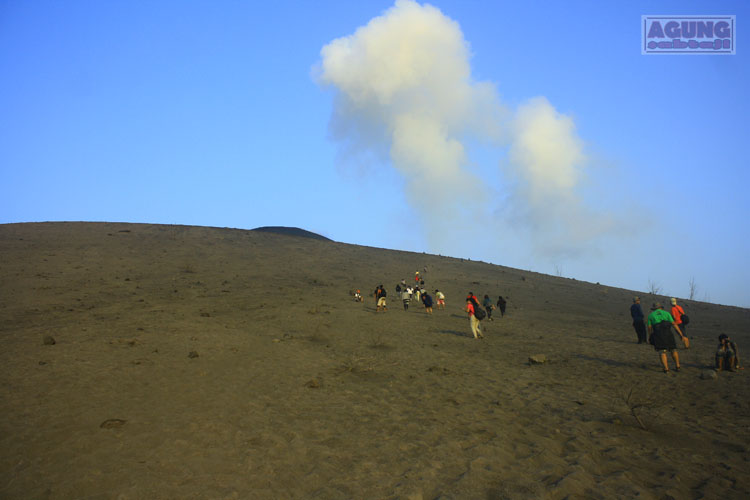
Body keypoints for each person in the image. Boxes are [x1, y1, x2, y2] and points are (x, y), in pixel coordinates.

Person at [647, 302, 686, 373]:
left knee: (662, 352)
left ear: (654, 309)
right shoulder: (667, 313)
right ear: (661, 308)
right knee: (673, 350)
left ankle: (666, 369)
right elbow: (674, 324)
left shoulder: (650, 316)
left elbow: (649, 328)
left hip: (658, 334)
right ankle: (678, 366)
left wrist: (650, 336)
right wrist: (681, 334)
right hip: (668, 333)